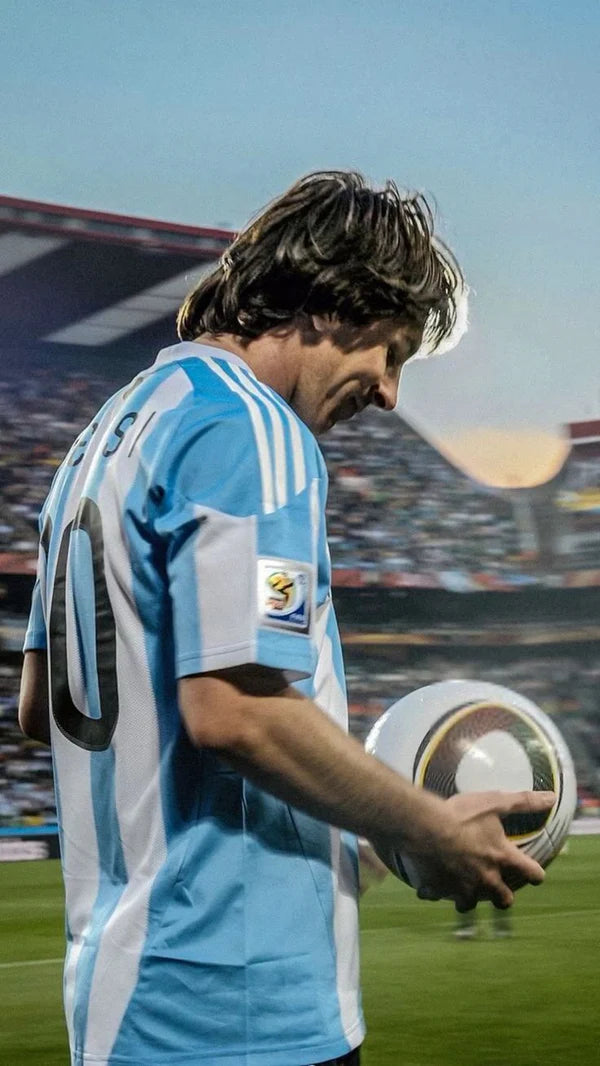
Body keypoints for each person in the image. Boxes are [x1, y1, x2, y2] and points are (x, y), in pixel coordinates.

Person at [18, 170, 553, 1066]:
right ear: (335, 301)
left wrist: (358, 839)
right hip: (237, 1010)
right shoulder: (254, 431)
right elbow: (237, 712)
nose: (389, 393)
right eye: (391, 352)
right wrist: (426, 827)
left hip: (122, 1007)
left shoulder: (106, 436)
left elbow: (45, 706)